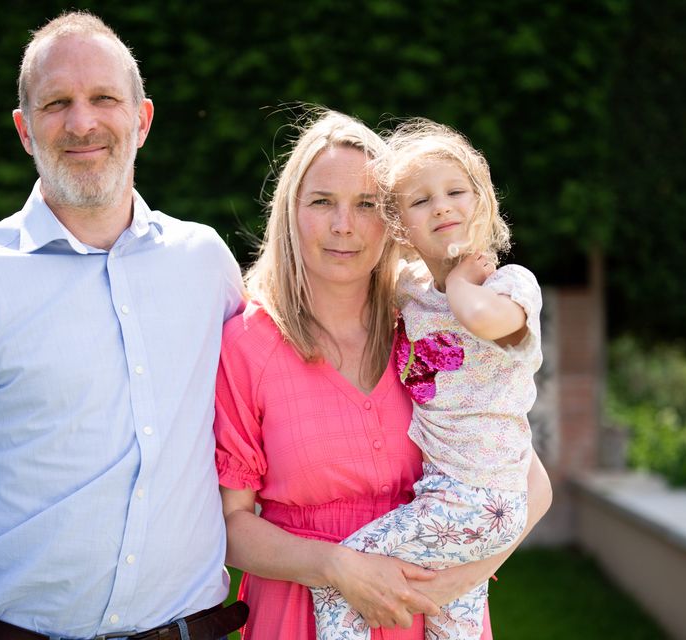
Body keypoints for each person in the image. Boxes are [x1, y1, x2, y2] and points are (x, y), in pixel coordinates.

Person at [0, 11, 247, 640]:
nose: (82, 123)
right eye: (56, 104)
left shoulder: (205, 262)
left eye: (104, 98)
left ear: (143, 119)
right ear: (25, 130)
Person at [215, 109, 552, 640]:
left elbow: (530, 484)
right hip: (301, 613)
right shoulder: (247, 344)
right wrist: (336, 568)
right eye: (322, 202)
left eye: (366, 204)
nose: (343, 225)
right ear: (291, 213)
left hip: (427, 607)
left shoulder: (425, 327)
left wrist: (448, 586)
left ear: (392, 220)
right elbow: (232, 527)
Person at [309, 119, 543, 640]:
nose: (441, 207)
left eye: (456, 192)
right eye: (420, 202)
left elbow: (484, 321)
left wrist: (460, 278)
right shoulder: (412, 290)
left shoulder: (510, 286)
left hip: (480, 498)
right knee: (451, 625)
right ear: (399, 228)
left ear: (483, 203)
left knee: (342, 576)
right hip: (444, 494)